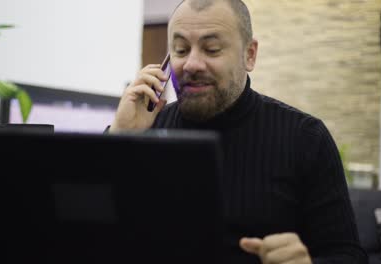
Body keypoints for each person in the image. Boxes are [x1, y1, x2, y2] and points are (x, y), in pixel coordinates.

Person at [109, 0, 367, 263]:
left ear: (250, 55)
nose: (192, 64)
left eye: (212, 49)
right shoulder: (146, 130)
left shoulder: (306, 138)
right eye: (181, 49)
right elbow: (89, 226)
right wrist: (120, 136)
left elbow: (348, 254)